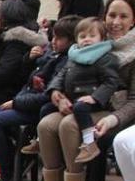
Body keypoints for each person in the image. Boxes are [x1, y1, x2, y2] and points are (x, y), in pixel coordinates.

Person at [0, 15, 77, 181]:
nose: (54, 41)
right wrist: (29, 60)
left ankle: (9, 171)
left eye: (59, 38)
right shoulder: (50, 56)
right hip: (24, 100)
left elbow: (46, 95)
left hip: (36, 108)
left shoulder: (65, 61)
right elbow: (27, 82)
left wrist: (16, 103)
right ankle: (11, 161)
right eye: (53, 36)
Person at [38, 17, 120, 166]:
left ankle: (89, 142)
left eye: (92, 36)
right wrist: (54, 90)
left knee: (79, 109)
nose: (87, 40)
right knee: (46, 108)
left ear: (102, 38)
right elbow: (61, 75)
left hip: (91, 101)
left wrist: (95, 97)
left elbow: (111, 81)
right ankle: (38, 141)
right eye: (82, 36)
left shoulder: (105, 58)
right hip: (72, 99)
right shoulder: (74, 56)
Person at [95, 0, 135, 181]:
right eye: (112, 15)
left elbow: (133, 100)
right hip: (90, 107)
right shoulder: (94, 43)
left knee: (122, 141)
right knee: (51, 124)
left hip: (121, 113)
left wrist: (112, 118)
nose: (116, 22)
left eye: (124, 16)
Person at [0, 0, 47, 107]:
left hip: (5, 95)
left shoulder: (15, 41)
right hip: (10, 91)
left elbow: (3, 74)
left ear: (4, 18)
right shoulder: (15, 36)